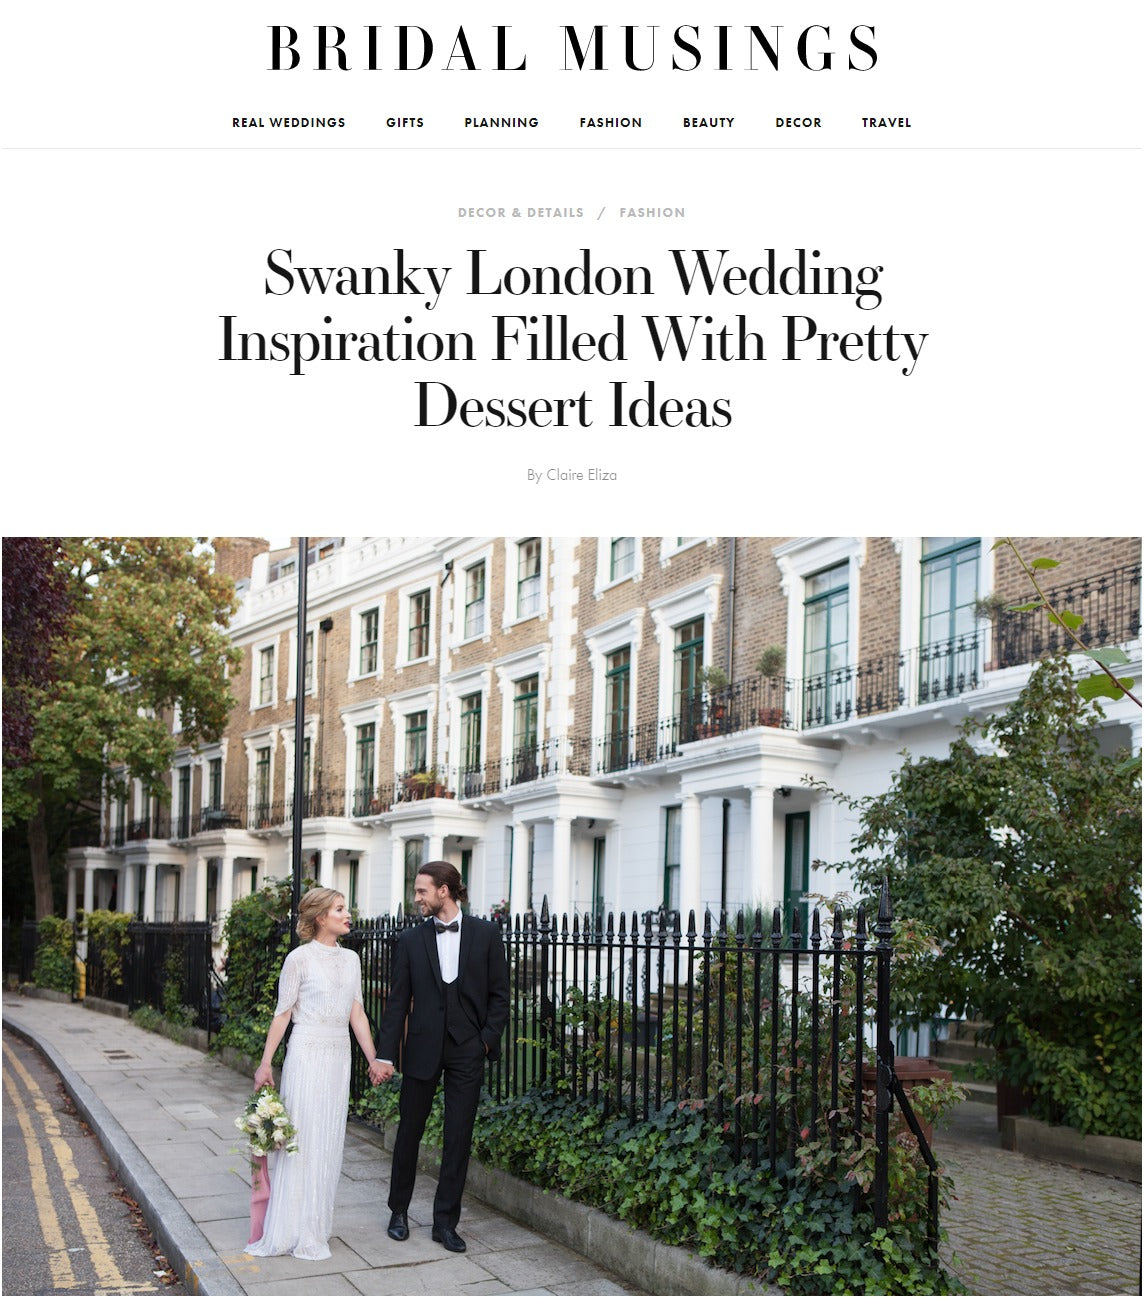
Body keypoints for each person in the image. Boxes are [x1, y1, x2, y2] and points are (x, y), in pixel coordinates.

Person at [374, 861, 510, 1254]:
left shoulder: (486, 934)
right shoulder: (412, 940)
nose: (416, 898)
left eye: (422, 891)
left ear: (444, 891)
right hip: (421, 1048)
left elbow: (500, 996)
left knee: (458, 1138)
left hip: (468, 1049)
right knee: (409, 1133)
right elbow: (398, 1001)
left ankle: (445, 1223)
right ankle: (398, 1211)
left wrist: (485, 1041)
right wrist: (385, 1054)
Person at [245, 887, 386, 1260]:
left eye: (346, 908)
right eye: (340, 909)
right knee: (303, 1140)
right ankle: (290, 1228)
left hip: (338, 1057)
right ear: (321, 917)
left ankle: (315, 1227)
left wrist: (373, 1058)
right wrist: (264, 1064)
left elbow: (357, 1013)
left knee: (328, 1139)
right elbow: (283, 1013)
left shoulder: (352, 960)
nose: (347, 914)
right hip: (306, 1055)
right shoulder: (299, 959)